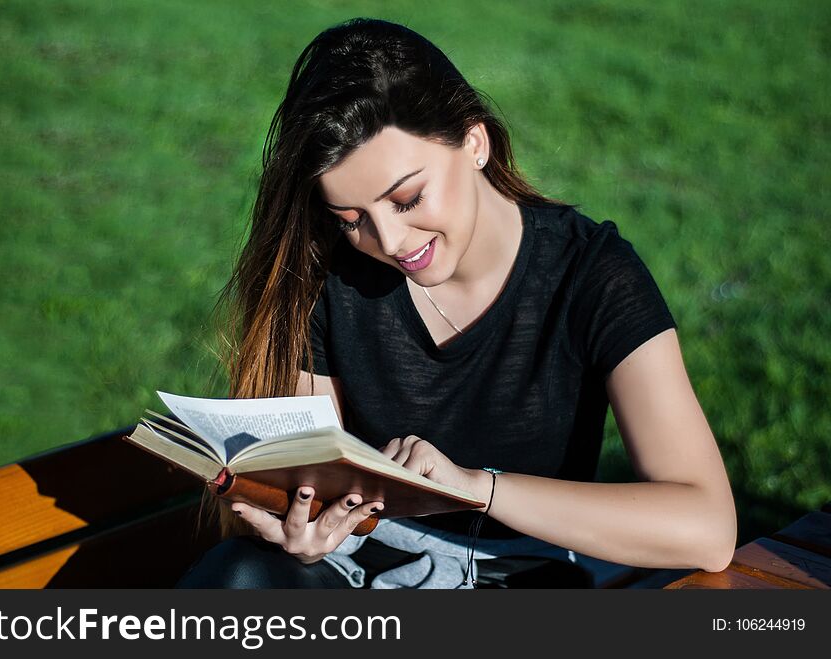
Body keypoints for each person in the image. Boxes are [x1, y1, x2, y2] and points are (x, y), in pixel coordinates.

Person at [176, 17, 737, 589]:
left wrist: (475, 487)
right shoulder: (329, 277)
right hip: (355, 576)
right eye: (351, 220)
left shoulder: (591, 275)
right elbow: (307, 481)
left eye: (408, 198)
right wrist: (303, 526)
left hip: (519, 582)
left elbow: (706, 528)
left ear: (474, 142)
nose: (390, 244)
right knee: (240, 576)